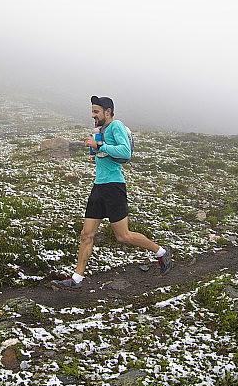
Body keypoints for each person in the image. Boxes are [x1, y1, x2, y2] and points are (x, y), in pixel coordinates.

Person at [51, 95, 172, 291]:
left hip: (114, 187)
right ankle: (77, 280)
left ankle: (162, 252)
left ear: (108, 112)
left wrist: (99, 146)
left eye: (96, 112)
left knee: (123, 236)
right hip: (99, 187)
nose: (93, 115)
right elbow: (109, 153)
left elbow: (125, 152)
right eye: (92, 112)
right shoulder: (101, 131)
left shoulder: (116, 126)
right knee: (86, 235)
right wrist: (97, 155)